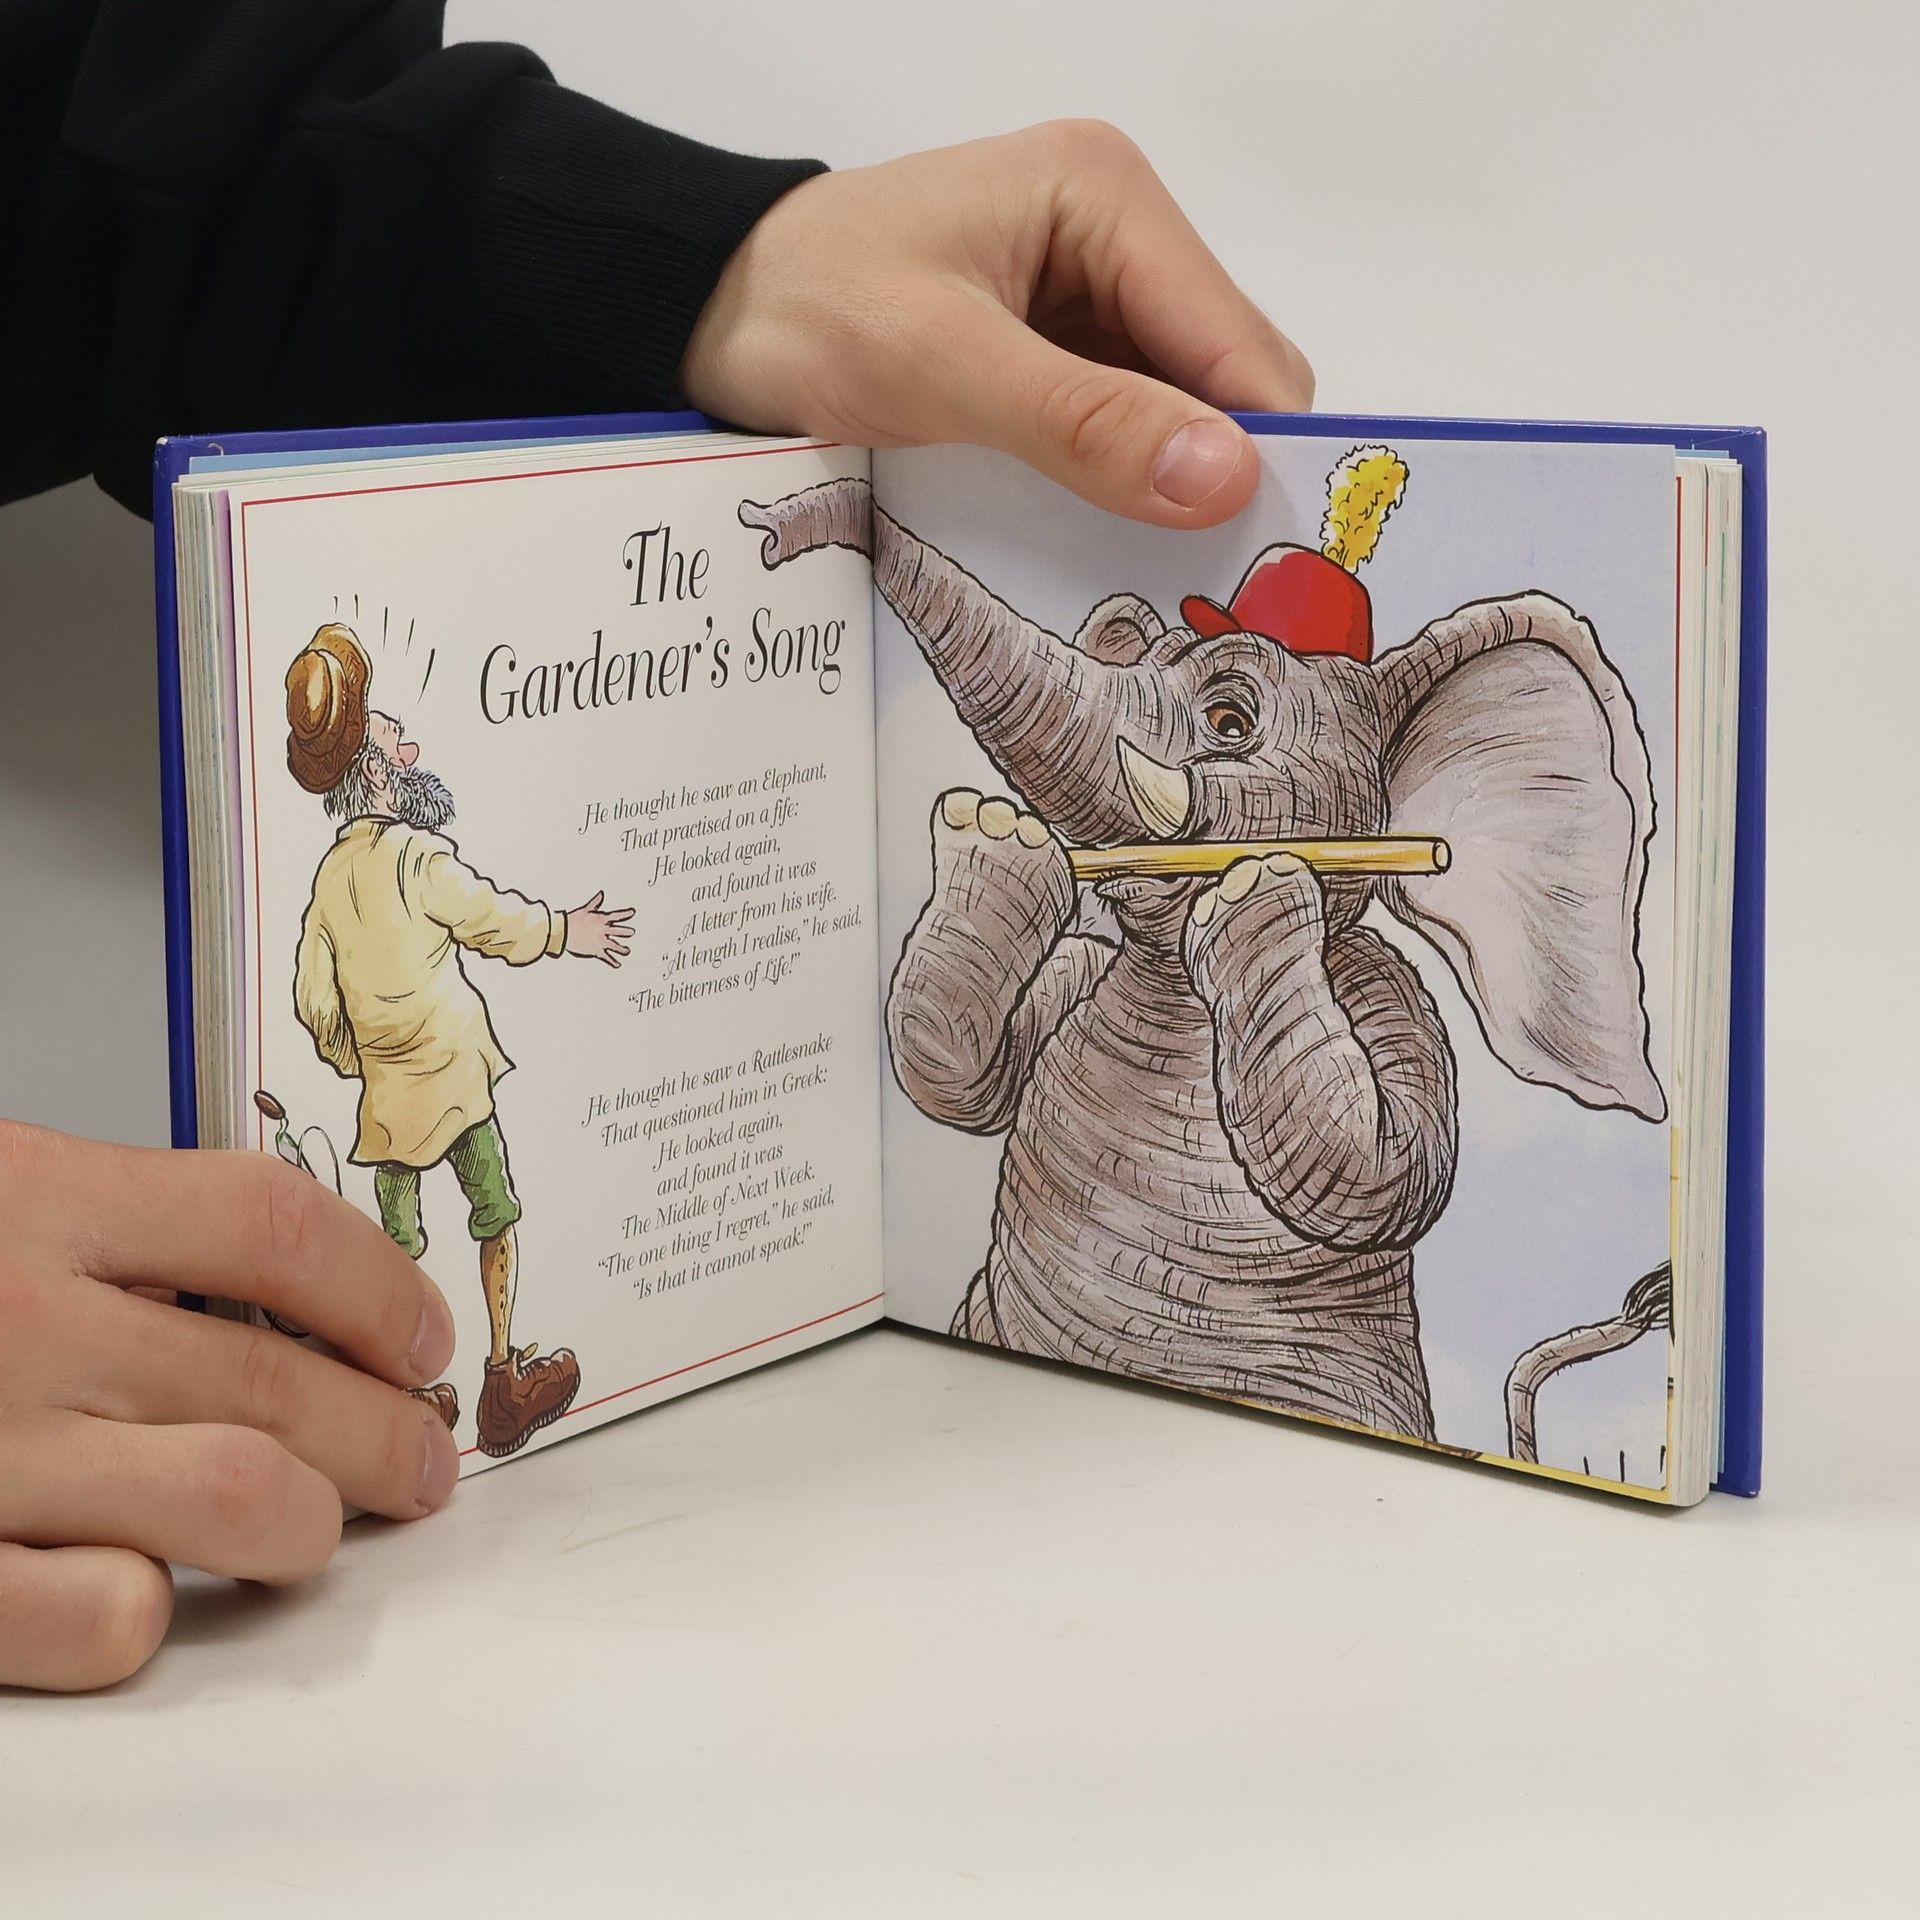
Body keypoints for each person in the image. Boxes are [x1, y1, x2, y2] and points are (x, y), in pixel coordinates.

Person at [0, 0, 1312, 1692]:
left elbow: (97, 161)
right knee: (460, 1218)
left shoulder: (356, 871)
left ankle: (468, 1351)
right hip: (461, 1092)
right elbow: (505, 931)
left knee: (425, 1220)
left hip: (429, 1100)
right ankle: (478, 1351)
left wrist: (695, 257)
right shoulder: (389, 866)